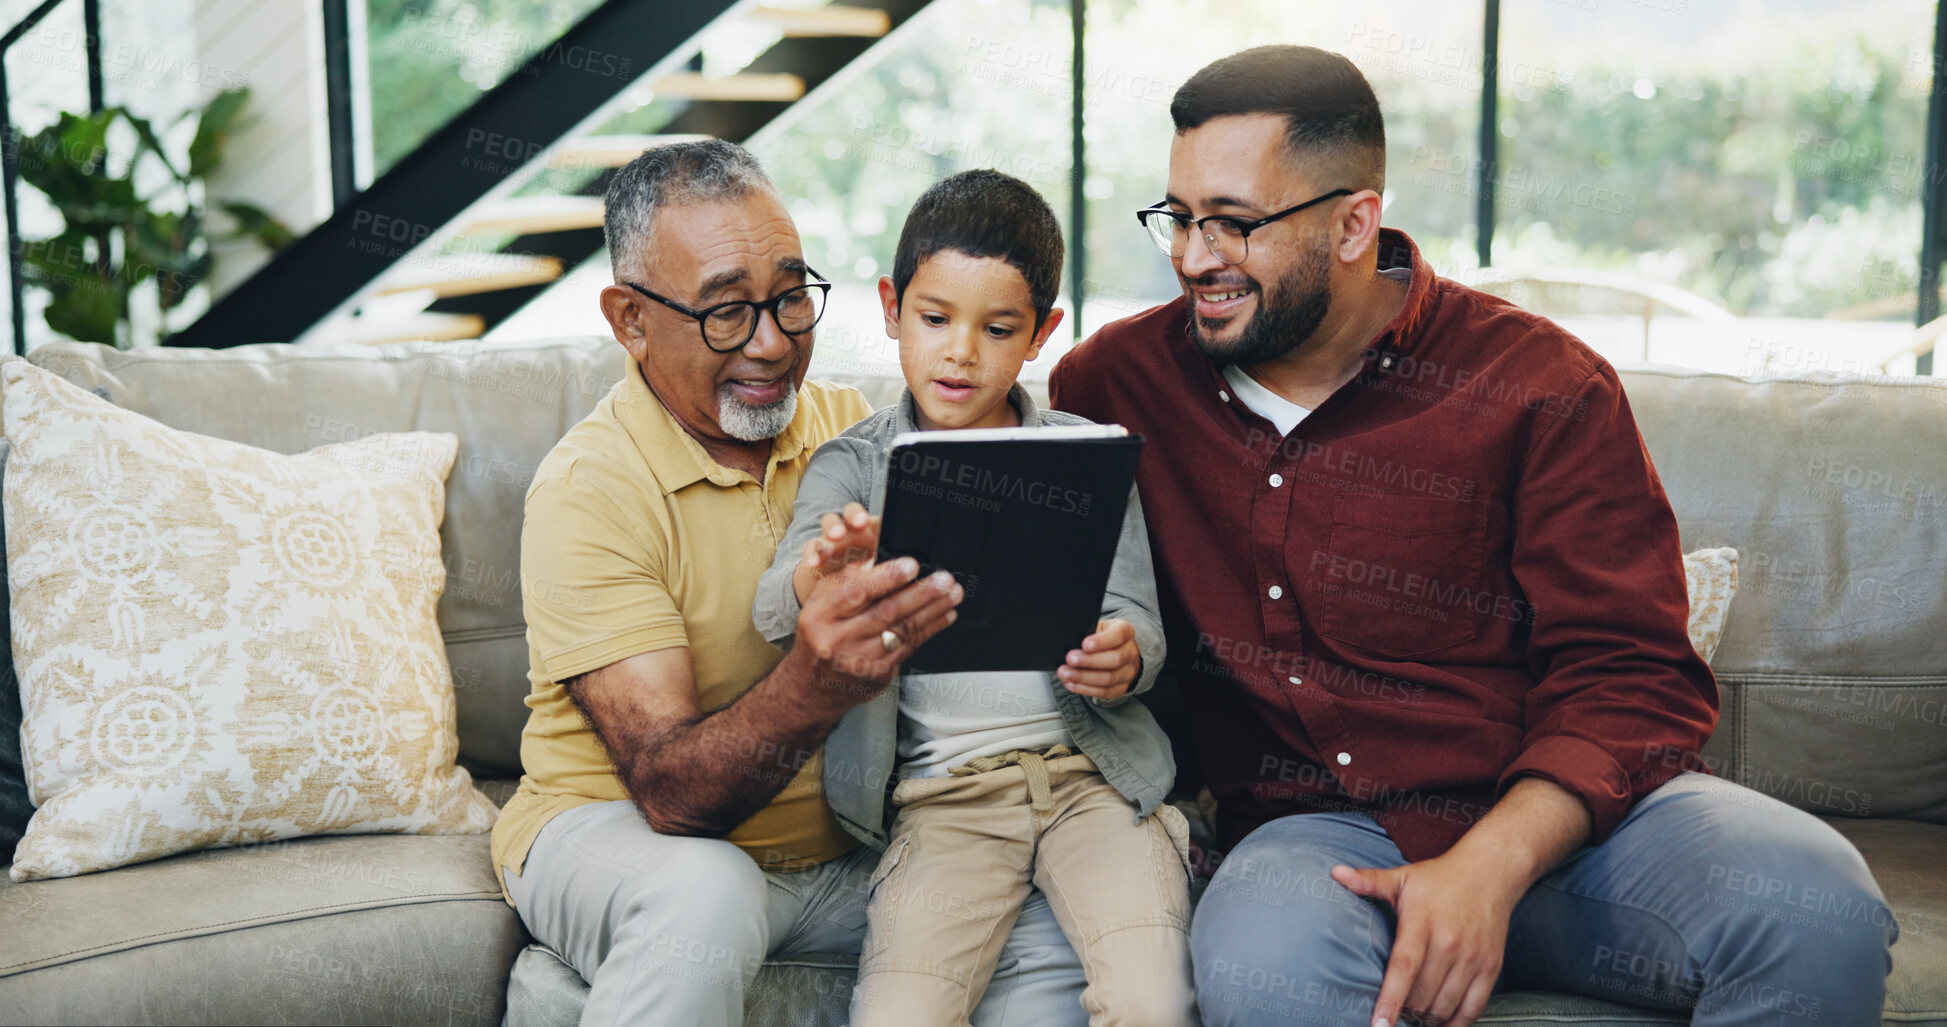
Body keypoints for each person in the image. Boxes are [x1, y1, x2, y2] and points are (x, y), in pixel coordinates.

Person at [1050, 46, 1896, 1027]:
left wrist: (1489, 867)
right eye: (1179, 217)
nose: (1195, 255)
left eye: (1234, 223)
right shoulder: (1112, 388)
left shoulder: (1541, 385)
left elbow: (1633, 672)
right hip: (1311, 836)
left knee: (1819, 905)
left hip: (1569, 827)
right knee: (1260, 962)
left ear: (1355, 221)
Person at [491, 140, 1089, 1027]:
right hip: (620, 834)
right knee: (707, 888)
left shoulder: (860, 436)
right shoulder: (591, 487)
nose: (772, 342)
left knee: (1055, 916)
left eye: (789, 297)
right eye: (726, 312)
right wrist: (814, 680)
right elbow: (669, 791)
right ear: (629, 319)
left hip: (846, 853)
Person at [751, 169, 1195, 1027]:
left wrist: (1124, 655)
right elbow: (775, 607)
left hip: (1091, 784)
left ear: (1041, 335)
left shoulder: (1085, 454)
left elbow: (1139, 620)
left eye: (997, 329)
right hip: (942, 801)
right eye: (934, 318)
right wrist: (824, 571)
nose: (960, 352)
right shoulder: (851, 464)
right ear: (890, 307)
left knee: (1149, 1001)